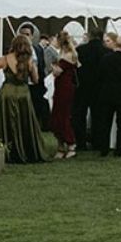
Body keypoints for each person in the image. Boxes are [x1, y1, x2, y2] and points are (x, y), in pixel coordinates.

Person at [0, 35, 54, 164]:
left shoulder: (4, 59)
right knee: (24, 122)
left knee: (8, 123)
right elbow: (35, 80)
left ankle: (9, 151)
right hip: (23, 93)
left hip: (7, 93)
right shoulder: (29, 61)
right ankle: (26, 150)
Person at [93, 30, 121, 155]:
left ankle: (104, 148)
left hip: (106, 94)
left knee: (105, 123)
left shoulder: (105, 59)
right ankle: (119, 149)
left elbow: (98, 77)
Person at [75, 25, 106, 151]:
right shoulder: (106, 51)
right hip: (99, 87)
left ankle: (80, 142)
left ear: (90, 36)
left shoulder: (80, 50)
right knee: (98, 115)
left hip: (82, 86)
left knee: (80, 115)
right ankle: (97, 141)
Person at [50, 30, 79, 158]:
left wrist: (52, 67)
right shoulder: (70, 53)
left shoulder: (67, 56)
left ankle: (70, 143)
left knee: (63, 115)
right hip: (63, 87)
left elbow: (58, 72)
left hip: (64, 88)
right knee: (59, 114)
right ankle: (61, 144)